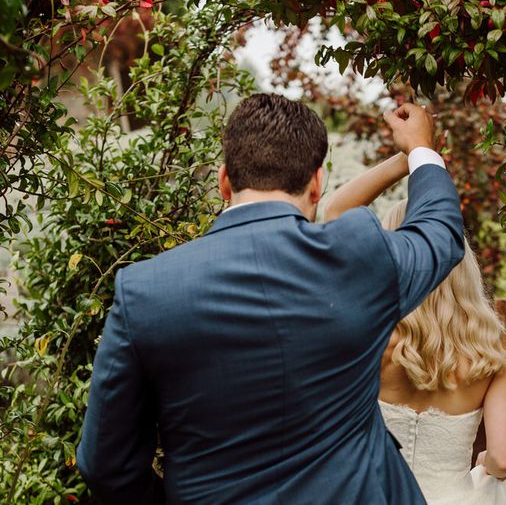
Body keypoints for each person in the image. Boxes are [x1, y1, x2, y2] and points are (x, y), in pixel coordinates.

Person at [76, 94, 465, 504]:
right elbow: (438, 232)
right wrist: (421, 149)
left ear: (224, 181)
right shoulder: (358, 255)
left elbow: (105, 465)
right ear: (317, 185)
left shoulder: (144, 290)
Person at [324, 153, 506, 505]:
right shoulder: (493, 343)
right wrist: (485, 463)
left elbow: (334, 213)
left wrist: (411, 155)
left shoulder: (374, 333)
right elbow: (503, 458)